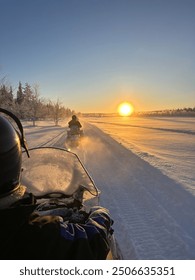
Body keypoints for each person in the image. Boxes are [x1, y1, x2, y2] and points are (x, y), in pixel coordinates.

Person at [0, 108, 113, 260]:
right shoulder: (31, 233)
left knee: (70, 134)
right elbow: (93, 243)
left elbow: (71, 125)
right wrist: (101, 214)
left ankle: (71, 141)